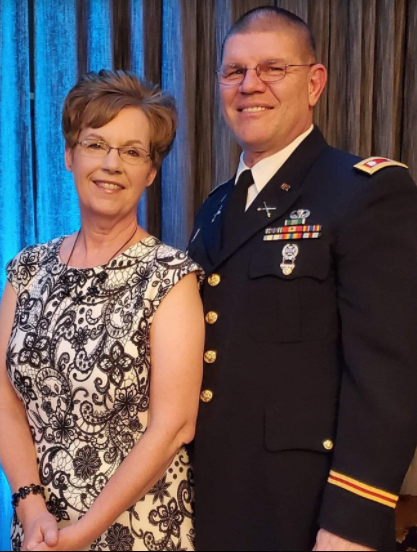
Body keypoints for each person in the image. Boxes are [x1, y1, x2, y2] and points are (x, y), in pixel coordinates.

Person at [187, 7, 417, 552]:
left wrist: (351, 526)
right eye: (234, 71)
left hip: (309, 515)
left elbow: (390, 374)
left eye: (272, 68)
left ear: (314, 83)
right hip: (210, 502)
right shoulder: (216, 206)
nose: (250, 86)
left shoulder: (364, 192)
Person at [0, 69, 205, 552]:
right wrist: (30, 508)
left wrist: (81, 535)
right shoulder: (26, 268)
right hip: (39, 533)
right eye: (96, 145)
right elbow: (6, 399)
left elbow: (175, 424)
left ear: (150, 172)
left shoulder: (170, 276)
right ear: (70, 156)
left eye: (132, 152)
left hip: (139, 532)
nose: (112, 164)